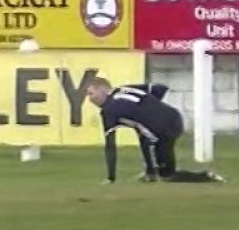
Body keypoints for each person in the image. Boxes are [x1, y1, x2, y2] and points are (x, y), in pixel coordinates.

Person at [85, 78, 225, 184]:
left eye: (91, 93)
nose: (89, 99)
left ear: (103, 90)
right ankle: (150, 173)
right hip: (174, 117)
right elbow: (160, 88)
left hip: (161, 130)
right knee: (142, 131)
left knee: (166, 175)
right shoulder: (125, 89)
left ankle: (205, 176)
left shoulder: (108, 110)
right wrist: (152, 107)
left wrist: (111, 177)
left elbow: (110, 146)